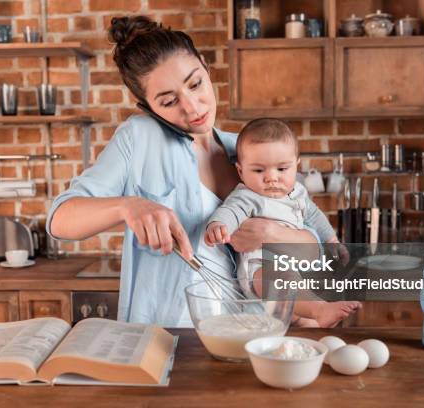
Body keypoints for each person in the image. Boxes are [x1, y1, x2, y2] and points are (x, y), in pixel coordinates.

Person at [46, 15, 330, 327]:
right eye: (169, 101)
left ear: (206, 68)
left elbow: (310, 240)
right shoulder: (138, 138)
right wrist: (128, 206)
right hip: (170, 340)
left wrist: (275, 235)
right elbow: (60, 219)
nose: (193, 107)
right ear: (148, 107)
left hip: (254, 334)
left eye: (195, 84)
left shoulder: (248, 151)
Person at [205, 118, 361, 327]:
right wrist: (217, 225)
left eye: (281, 169)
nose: (271, 178)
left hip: (296, 269)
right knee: (280, 279)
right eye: (259, 171)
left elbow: (315, 216)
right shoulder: (247, 196)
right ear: (241, 171)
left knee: (304, 316)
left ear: (296, 166)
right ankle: (319, 309)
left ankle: (308, 320)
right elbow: (230, 212)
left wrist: (332, 240)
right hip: (261, 268)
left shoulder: (298, 193)